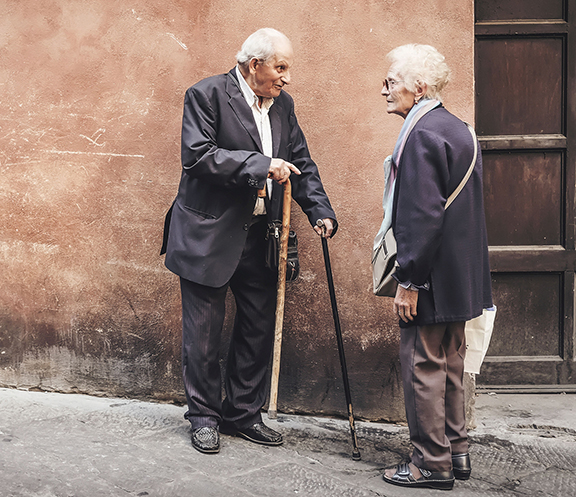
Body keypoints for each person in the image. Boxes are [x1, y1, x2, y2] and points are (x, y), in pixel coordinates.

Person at [161, 28, 337, 454]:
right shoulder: (206, 95)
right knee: (202, 335)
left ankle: (242, 413)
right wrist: (261, 165)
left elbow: (300, 161)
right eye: (281, 67)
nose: (287, 78)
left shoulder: (283, 106)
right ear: (254, 64)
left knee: (257, 329)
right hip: (208, 234)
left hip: (261, 236)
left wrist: (320, 211)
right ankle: (204, 417)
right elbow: (199, 156)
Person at [378, 44, 493, 490]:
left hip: (429, 277)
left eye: (392, 81)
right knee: (449, 364)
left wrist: (409, 280)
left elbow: (422, 216)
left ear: (418, 87)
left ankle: (430, 463)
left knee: (423, 365)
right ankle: (457, 452)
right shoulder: (459, 128)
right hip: (460, 276)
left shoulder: (421, 133)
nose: (384, 89)